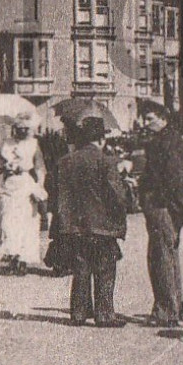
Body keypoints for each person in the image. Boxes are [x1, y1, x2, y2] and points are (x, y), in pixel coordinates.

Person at [48, 116, 133, 327]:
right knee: (105, 270)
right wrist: (127, 187)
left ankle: (78, 312)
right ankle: (104, 315)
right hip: (102, 226)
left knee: (81, 268)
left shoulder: (64, 161)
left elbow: (53, 190)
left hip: (73, 225)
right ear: (101, 138)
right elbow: (118, 196)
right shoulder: (106, 161)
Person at [137, 103, 183, 327]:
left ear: (162, 118)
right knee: (168, 256)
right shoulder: (172, 139)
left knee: (161, 258)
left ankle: (166, 311)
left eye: (149, 119)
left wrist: (151, 195)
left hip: (162, 206)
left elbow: (173, 179)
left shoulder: (164, 143)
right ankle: (174, 307)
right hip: (168, 206)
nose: (145, 124)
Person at [0, 118, 48, 274]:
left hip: (25, 185)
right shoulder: (5, 144)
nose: (22, 131)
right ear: (14, 128)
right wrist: (3, 167)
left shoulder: (34, 145)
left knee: (26, 223)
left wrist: (39, 186)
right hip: (9, 186)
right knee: (9, 223)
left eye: (25, 128)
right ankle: (12, 258)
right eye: (19, 128)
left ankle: (23, 260)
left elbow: (40, 168)